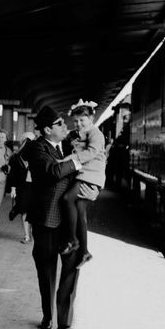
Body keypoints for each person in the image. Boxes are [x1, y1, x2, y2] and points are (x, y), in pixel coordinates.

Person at [25, 106, 82, 329]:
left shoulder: (69, 145)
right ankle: (48, 315)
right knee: (47, 270)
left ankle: (64, 325)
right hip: (47, 220)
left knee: (71, 270)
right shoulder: (37, 148)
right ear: (48, 129)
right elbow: (52, 172)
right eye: (60, 124)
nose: (65, 126)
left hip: (70, 222)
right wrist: (79, 160)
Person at [59, 100, 106, 268]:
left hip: (90, 176)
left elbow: (92, 152)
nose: (78, 124)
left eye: (82, 120)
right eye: (76, 121)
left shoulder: (96, 133)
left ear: (91, 118)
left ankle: (73, 240)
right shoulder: (77, 134)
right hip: (84, 175)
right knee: (80, 212)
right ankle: (85, 252)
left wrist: (72, 158)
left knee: (67, 199)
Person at [7, 131, 36, 244]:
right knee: (24, 211)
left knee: (33, 212)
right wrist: (13, 189)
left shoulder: (38, 157)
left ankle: (33, 234)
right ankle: (27, 236)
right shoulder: (16, 157)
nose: (27, 143)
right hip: (22, 188)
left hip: (34, 188)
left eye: (30, 141)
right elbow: (12, 174)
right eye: (26, 140)